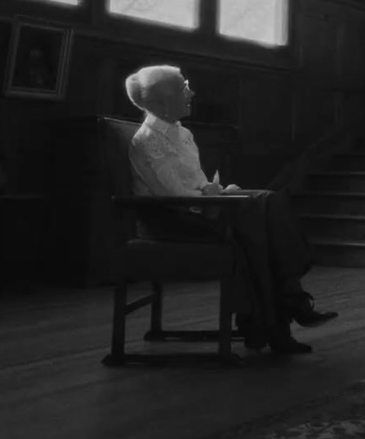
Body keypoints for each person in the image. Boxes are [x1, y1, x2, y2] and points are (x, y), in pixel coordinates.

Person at [125, 65, 337, 355]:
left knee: (268, 203)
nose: (192, 92)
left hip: (200, 211)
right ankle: (287, 308)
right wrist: (213, 195)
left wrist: (216, 192)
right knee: (257, 219)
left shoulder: (183, 134)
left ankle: (273, 318)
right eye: (184, 87)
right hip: (171, 221)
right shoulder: (147, 140)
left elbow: (196, 184)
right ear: (162, 103)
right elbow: (174, 196)